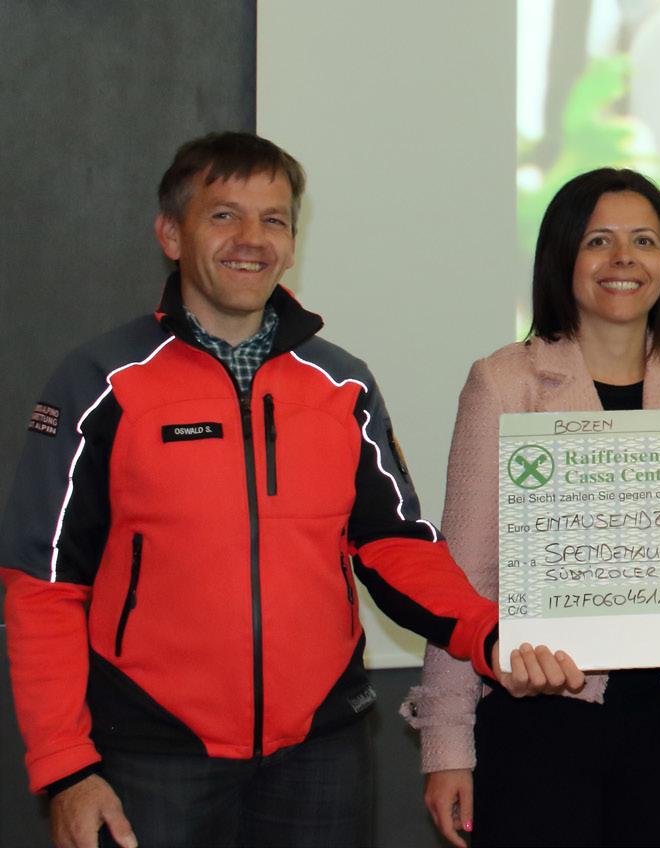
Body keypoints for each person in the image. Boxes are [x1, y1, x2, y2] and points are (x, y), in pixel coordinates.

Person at [0, 132, 576, 848]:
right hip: (151, 754)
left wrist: (489, 631)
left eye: (273, 219)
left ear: (293, 242)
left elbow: (394, 546)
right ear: (171, 234)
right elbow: (43, 586)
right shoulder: (101, 381)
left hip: (320, 752)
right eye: (224, 215)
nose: (252, 239)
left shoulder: (341, 383)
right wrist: (65, 768)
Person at [402, 168, 660, 848]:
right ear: (561, 258)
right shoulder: (504, 383)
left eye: (644, 241)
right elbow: (463, 579)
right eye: (598, 241)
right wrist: (447, 746)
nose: (623, 259)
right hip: (539, 720)